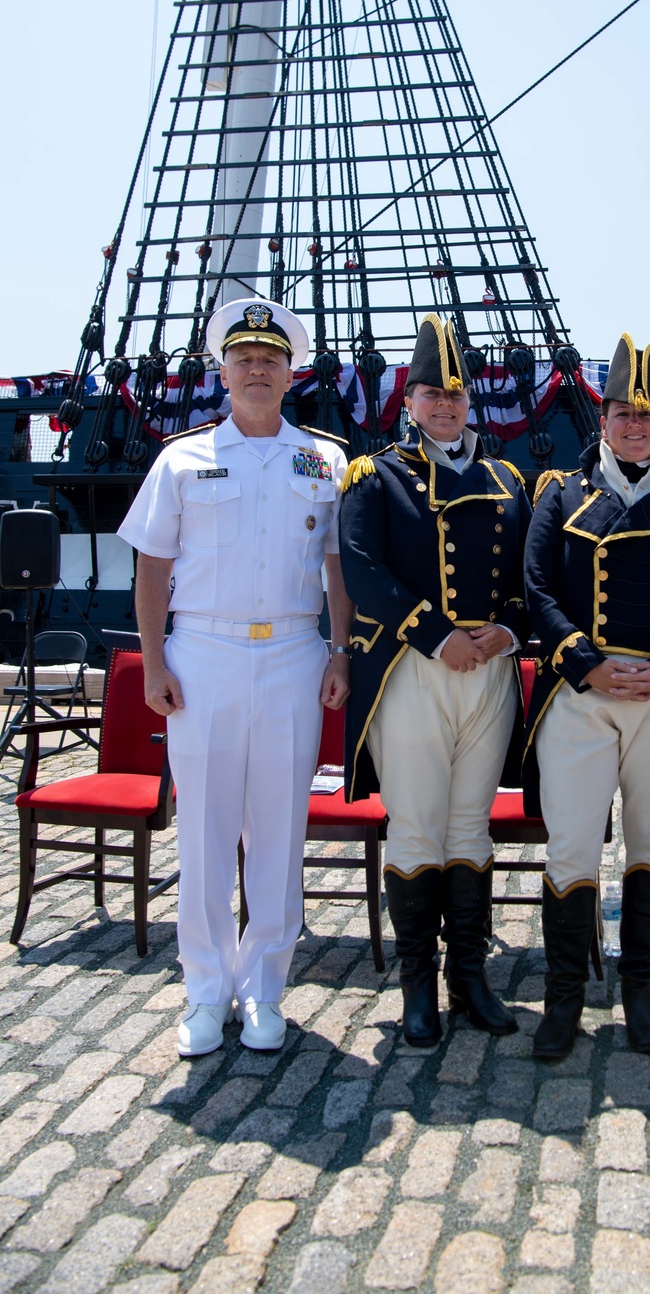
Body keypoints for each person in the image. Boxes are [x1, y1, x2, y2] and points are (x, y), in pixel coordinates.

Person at [119, 298, 351, 1057]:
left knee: (280, 834)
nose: (258, 369)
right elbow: (152, 567)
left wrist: (341, 651)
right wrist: (154, 662)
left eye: (272, 359)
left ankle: (265, 990)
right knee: (207, 836)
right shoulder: (179, 460)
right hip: (204, 656)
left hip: (292, 654)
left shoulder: (324, 460)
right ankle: (206, 992)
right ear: (223, 370)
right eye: (244, 358)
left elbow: (337, 569)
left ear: (292, 373)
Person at [523, 334, 650, 1060]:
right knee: (573, 846)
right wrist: (582, 659)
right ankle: (563, 999)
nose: (633, 424)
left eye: (646, 412)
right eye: (620, 411)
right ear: (601, 420)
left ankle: (642, 990)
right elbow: (538, 587)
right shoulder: (560, 495)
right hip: (583, 694)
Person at [339, 315, 531, 1047]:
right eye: (430, 393)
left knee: (469, 826)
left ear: (468, 401)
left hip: (488, 672)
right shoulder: (375, 475)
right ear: (407, 402)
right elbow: (362, 569)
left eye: (455, 392)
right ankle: (419, 980)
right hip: (410, 671)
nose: (444, 405)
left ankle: (469, 977)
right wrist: (435, 634)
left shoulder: (507, 479)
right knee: (418, 828)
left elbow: (527, 575)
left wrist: (506, 633)